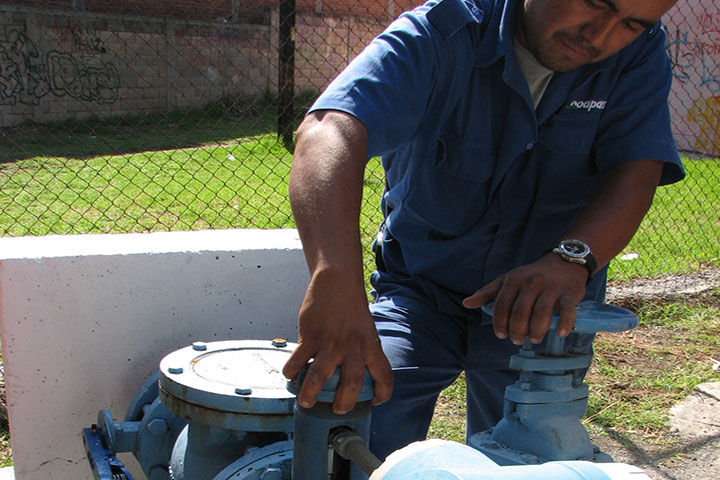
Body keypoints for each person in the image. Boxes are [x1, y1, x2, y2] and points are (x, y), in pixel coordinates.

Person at [282, 0, 684, 460]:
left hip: (541, 308)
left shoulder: (639, 53)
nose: (600, 35)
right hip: (420, 294)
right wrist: (335, 282)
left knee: (530, 453)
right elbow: (330, 131)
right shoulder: (445, 31)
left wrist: (571, 260)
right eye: (594, 2)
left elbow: (636, 171)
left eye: (630, 24)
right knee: (353, 406)